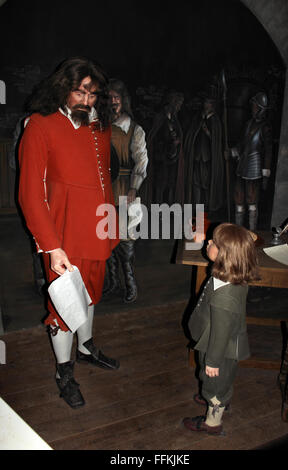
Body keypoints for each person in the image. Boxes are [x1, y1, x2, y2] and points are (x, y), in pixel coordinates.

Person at [18, 57, 120, 409]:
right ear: (63, 88)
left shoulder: (100, 125)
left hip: (99, 230)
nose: (86, 100)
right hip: (63, 236)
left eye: (92, 93)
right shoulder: (40, 125)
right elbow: (30, 193)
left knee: (90, 295)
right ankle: (64, 371)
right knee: (64, 306)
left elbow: (104, 176)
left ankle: (87, 346)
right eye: (79, 91)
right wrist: (50, 246)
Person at [183, 223, 259, 435]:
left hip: (218, 349)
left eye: (214, 243)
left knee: (215, 384)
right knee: (218, 380)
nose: (208, 242)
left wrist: (213, 361)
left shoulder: (225, 297)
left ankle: (213, 420)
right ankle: (216, 396)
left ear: (225, 254)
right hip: (215, 341)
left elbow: (221, 333)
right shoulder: (231, 273)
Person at [103, 78, 148, 303]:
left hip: (125, 188)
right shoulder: (101, 128)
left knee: (126, 239)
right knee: (106, 237)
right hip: (105, 190)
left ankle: (130, 283)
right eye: (110, 98)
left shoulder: (134, 129)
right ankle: (112, 282)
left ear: (123, 101)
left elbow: (141, 160)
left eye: (117, 98)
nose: (113, 102)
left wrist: (133, 187)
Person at [232, 92, 273, 230]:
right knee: (238, 199)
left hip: (254, 168)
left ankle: (251, 232)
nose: (252, 108)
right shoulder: (248, 124)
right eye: (253, 105)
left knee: (252, 201)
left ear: (261, 108)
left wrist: (266, 172)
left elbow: (268, 150)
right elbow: (243, 144)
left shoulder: (265, 127)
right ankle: (238, 231)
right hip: (242, 165)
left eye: (255, 106)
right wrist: (233, 151)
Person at [184, 90, 224, 212]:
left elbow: (217, 141)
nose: (206, 105)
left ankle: (206, 206)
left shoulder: (215, 120)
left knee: (206, 183)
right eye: (205, 102)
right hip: (197, 156)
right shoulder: (198, 118)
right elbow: (192, 134)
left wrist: (208, 133)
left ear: (212, 105)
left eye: (208, 103)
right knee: (195, 181)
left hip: (207, 158)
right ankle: (196, 206)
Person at [147, 91, 185, 205]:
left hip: (172, 157)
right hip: (161, 157)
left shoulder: (174, 118)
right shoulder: (160, 117)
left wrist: (176, 142)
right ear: (172, 104)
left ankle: (168, 208)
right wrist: (169, 142)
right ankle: (157, 209)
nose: (179, 108)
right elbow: (155, 137)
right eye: (178, 105)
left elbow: (178, 134)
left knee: (170, 183)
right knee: (160, 184)